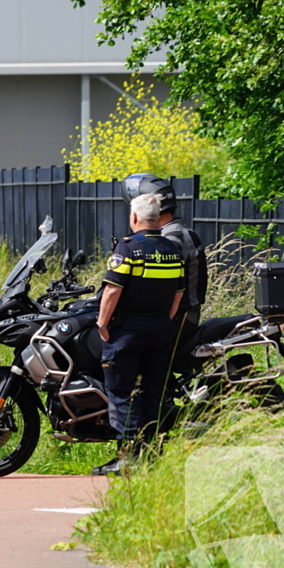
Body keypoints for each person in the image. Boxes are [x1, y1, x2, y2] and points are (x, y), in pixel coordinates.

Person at [93, 193, 184, 476]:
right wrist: (164, 320)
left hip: (127, 333)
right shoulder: (172, 248)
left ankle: (128, 457)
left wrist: (102, 324)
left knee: (121, 393)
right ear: (156, 218)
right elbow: (178, 292)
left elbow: (112, 289)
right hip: (160, 331)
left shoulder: (128, 247)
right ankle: (152, 455)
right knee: (154, 393)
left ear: (134, 218)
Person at [123, 173, 208, 340]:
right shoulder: (164, 234)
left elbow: (153, 283)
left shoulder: (172, 238)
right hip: (166, 315)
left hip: (177, 317)